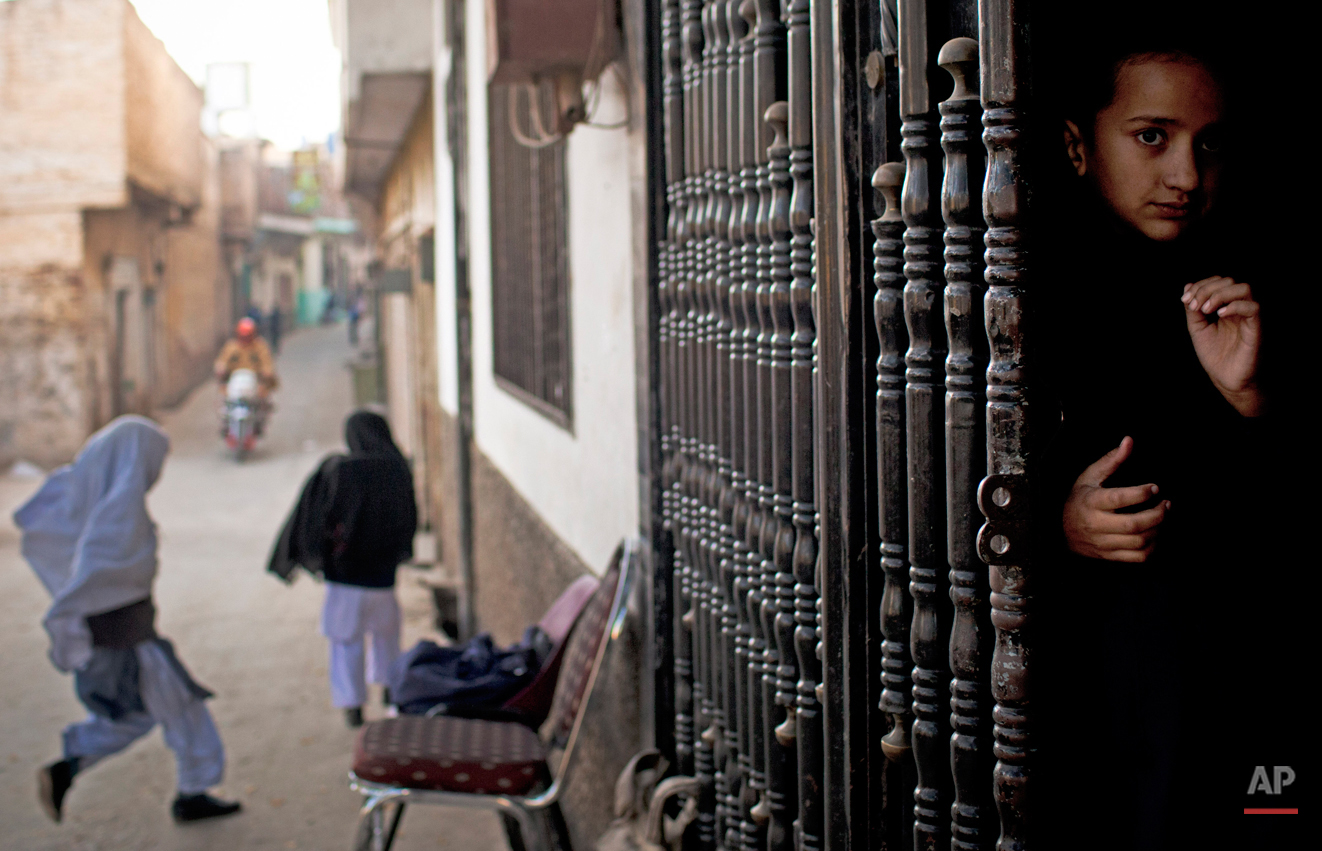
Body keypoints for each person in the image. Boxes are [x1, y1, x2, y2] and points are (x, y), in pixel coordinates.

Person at [1035, 31, 1299, 848]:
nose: (1187, 176)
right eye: (1153, 136)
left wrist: (1251, 399)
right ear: (1077, 145)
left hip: (1241, 690)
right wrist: (1052, 520)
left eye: (1208, 143)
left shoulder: (1249, 290)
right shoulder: (1013, 290)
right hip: (1086, 694)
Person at [14, 417, 241, 824]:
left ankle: (186, 787)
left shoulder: (85, 500)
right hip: (128, 640)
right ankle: (79, 763)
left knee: (164, 711)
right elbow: (111, 572)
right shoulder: (118, 516)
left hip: (121, 637)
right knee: (160, 712)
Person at [267, 411, 417, 728]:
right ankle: (391, 693)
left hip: (345, 581)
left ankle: (353, 706)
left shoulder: (339, 470)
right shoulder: (398, 468)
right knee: (387, 637)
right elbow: (409, 520)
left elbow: (315, 517)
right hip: (383, 581)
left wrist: (316, 556)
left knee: (345, 643)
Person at [214, 317, 278, 399]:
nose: (245, 339)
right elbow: (222, 361)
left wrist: (267, 372)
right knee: (223, 396)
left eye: (248, 336)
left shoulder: (260, 346)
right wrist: (220, 368)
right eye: (243, 336)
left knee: (262, 395)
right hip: (234, 382)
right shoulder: (231, 347)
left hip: (255, 381)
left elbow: (267, 363)